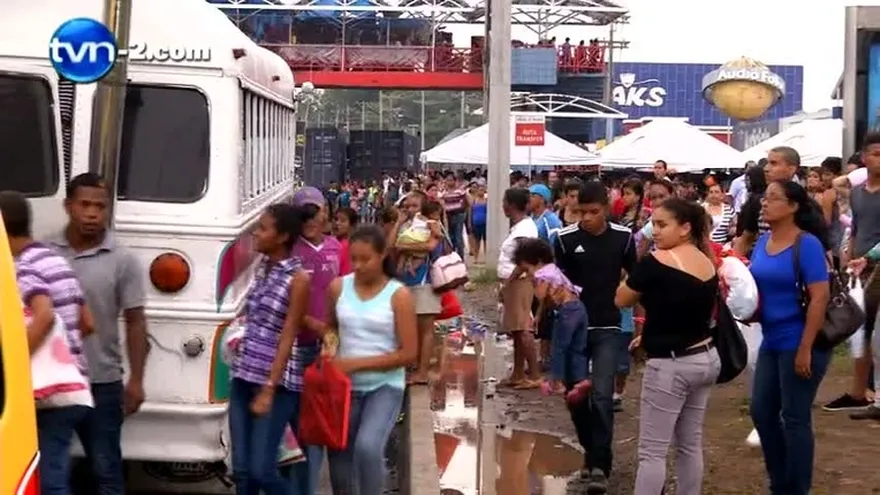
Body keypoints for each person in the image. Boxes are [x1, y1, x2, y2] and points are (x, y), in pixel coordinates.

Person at [49, 172, 148, 495]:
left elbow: (135, 321)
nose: (92, 213)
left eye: (100, 207)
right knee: (52, 470)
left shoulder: (123, 260)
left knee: (106, 469)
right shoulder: (47, 253)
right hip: (54, 382)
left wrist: (136, 380)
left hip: (103, 383)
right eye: (84, 205)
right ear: (68, 206)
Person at [615, 197, 720, 495]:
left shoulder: (656, 262)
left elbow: (621, 299)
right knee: (689, 444)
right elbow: (675, 309)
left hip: (671, 364)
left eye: (662, 225)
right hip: (704, 356)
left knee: (652, 451)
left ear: (685, 228)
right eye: (653, 224)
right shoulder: (706, 261)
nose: (655, 231)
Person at [1, 191, 94, 495]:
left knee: (46, 478)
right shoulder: (55, 260)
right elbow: (88, 322)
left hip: (48, 394)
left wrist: (16, 362)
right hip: (73, 384)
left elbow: (45, 318)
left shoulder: (23, 267)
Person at [749, 180, 831, 495]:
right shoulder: (762, 241)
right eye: (764, 198)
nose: (764, 204)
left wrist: (805, 348)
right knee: (761, 411)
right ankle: (780, 481)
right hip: (771, 338)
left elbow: (820, 298)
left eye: (773, 198)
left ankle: (797, 489)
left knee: (794, 417)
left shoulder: (806, 244)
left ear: (793, 206)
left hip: (800, 340)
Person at [555, 182, 636, 493]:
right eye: (580, 212)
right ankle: (590, 456)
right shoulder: (564, 240)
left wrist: (640, 320)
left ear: (606, 208)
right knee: (576, 399)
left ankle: (601, 466)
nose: (586, 218)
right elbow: (555, 285)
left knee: (602, 396)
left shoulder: (624, 238)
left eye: (593, 212)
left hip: (608, 328)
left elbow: (638, 279)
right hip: (573, 332)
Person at [325, 225, 418, 495]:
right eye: (353, 259)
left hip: (384, 386)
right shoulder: (338, 287)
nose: (358, 265)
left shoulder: (398, 295)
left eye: (366, 259)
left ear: (382, 256)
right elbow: (331, 327)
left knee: (367, 447)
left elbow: (409, 353)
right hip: (343, 388)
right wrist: (329, 348)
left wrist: (355, 364)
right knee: (339, 454)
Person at [228, 203, 310, 494]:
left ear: (282, 237)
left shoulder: (298, 279)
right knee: (242, 471)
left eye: (263, 228)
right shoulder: (262, 268)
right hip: (242, 376)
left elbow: (288, 334)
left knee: (263, 471)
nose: (256, 233)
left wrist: (269, 388)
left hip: (276, 385)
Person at [512, 238, 590, 400]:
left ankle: (557, 383)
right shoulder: (553, 269)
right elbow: (546, 300)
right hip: (579, 308)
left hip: (567, 311)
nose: (527, 273)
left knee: (559, 347)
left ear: (537, 261)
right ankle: (579, 380)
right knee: (577, 348)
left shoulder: (542, 274)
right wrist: (539, 315)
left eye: (527, 268)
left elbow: (540, 295)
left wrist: (532, 280)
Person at [391, 191, 442, 385]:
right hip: (408, 283)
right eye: (407, 206)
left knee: (426, 328)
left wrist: (405, 248)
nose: (410, 210)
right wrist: (398, 223)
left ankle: (422, 371)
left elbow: (431, 247)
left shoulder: (432, 224)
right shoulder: (406, 225)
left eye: (415, 206)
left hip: (426, 282)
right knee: (410, 326)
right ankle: (414, 364)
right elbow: (391, 245)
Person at [497, 188, 541, 389]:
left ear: (511, 204)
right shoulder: (519, 227)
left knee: (523, 328)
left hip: (519, 282)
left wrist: (508, 283)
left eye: (504, 201)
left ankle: (533, 374)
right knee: (516, 330)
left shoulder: (525, 229)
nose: (502, 205)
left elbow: (524, 261)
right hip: (514, 282)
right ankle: (517, 373)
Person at [334, 206, 358, 276]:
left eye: (343, 221)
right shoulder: (333, 243)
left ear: (352, 225)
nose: (337, 223)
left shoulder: (346, 245)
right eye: (336, 219)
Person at [469, 179, 488, 264]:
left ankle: (486, 258)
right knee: (477, 241)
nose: (481, 192)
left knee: (485, 241)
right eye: (479, 190)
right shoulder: (474, 200)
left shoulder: (487, 201)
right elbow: (470, 212)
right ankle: (476, 258)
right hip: (476, 223)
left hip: (485, 223)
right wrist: (470, 222)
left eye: (482, 190)